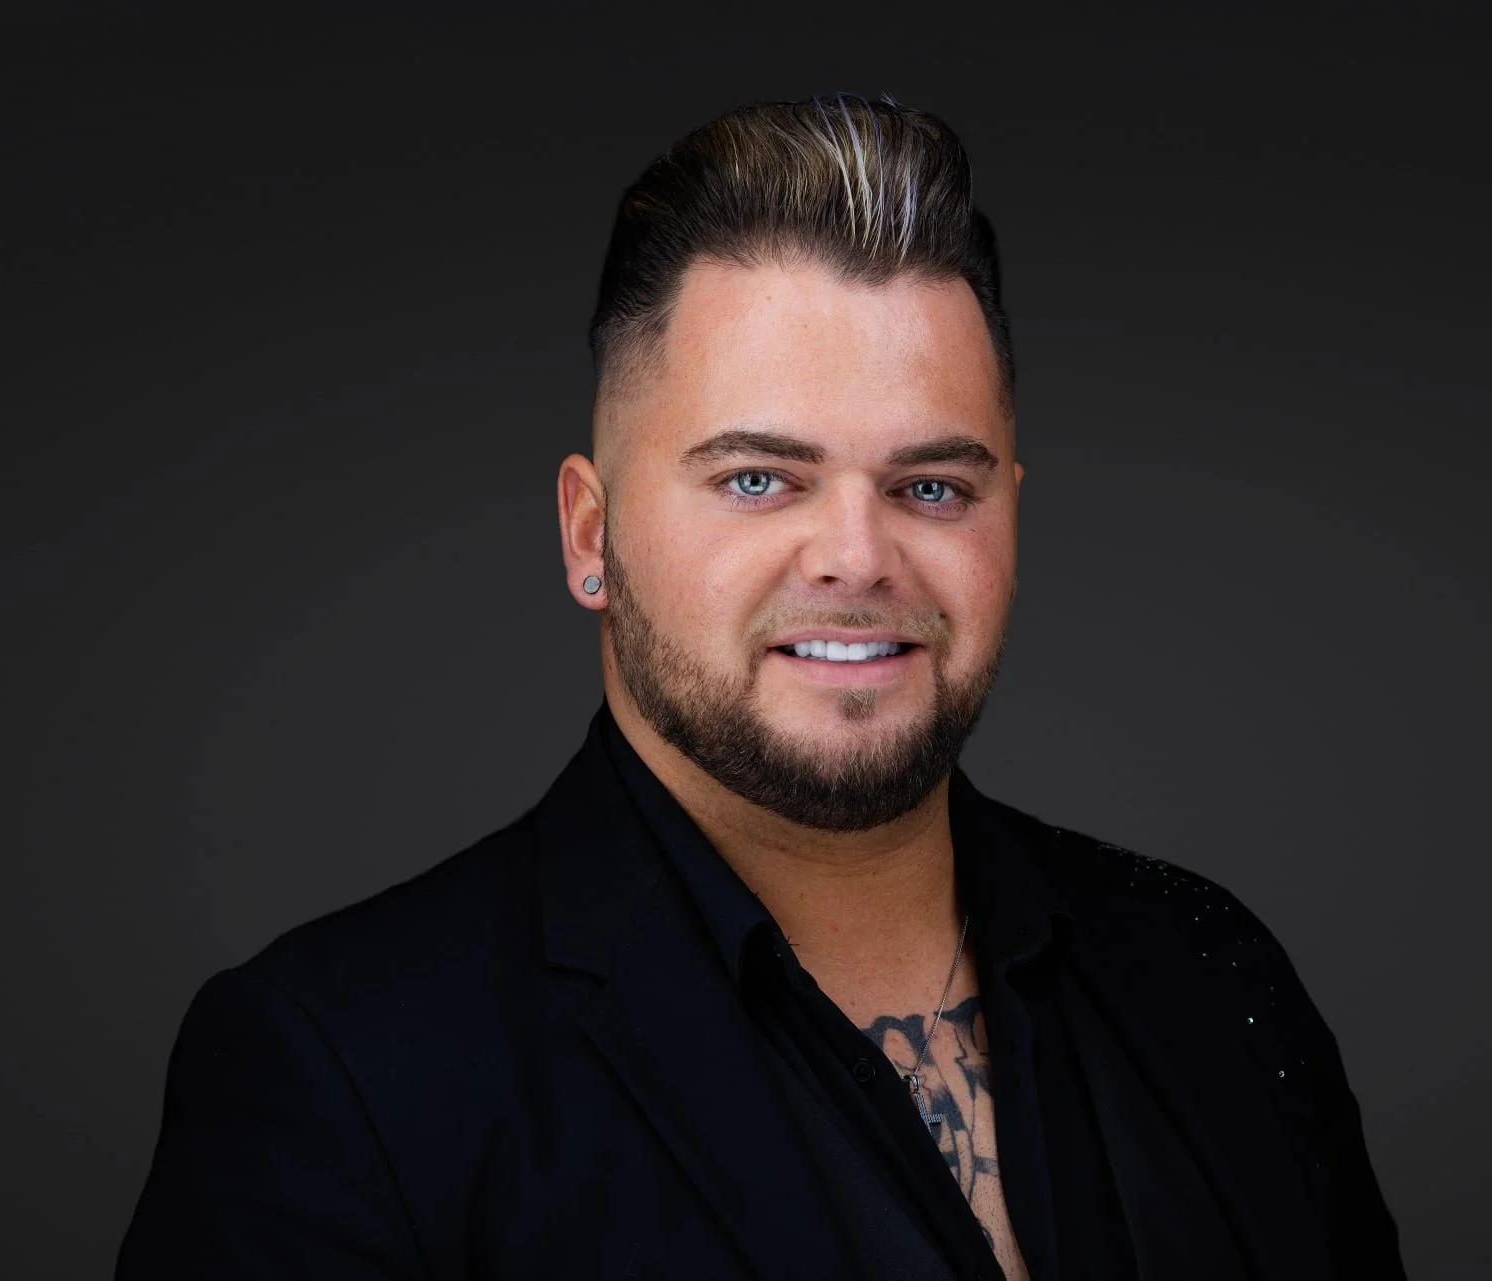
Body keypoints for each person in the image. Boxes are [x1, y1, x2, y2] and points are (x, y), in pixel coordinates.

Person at [117, 92, 1406, 1281]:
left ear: (1010, 520)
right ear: (590, 535)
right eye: (757, 480)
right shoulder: (340, 1074)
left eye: (932, 487)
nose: (856, 558)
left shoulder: (1209, 971)